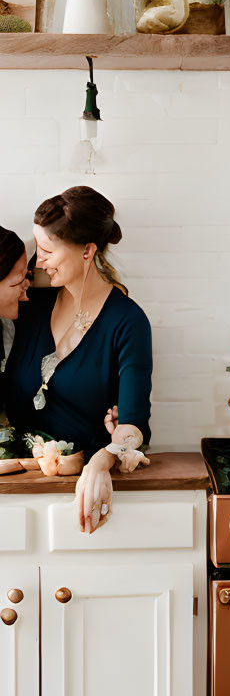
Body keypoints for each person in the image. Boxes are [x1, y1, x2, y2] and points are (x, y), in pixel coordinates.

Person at [3, 187, 153, 532]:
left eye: (46, 251)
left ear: (88, 251)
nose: (37, 261)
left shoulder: (127, 323)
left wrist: (101, 463)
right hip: (16, 487)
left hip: (77, 489)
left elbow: (134, 425)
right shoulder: (31, 302)